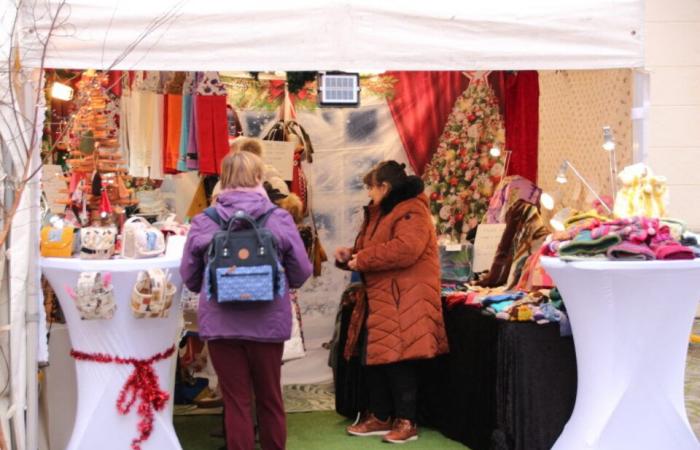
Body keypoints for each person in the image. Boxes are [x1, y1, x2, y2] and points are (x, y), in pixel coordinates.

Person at [180, 150, 312, 450]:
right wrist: (273, 284)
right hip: (268, 323)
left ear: (223, 180)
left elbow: (189, 276)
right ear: (258, 178)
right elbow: (301, 271)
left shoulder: (205, 220)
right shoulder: (277, 217)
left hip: (221, 325)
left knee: (236, 401)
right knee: (269, 399)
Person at [335, 160, 449, 444]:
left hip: (405, 297)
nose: (369, 193)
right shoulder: (381, 212)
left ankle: (406, 422)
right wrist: (350, 255)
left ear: (384, 187)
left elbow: (405, 249)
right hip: (384, 296)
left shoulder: (412, 210)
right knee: (377, 359)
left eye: (370, 187)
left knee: (400, 361)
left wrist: (363, 258)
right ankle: (382, 416)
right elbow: (373, 249)